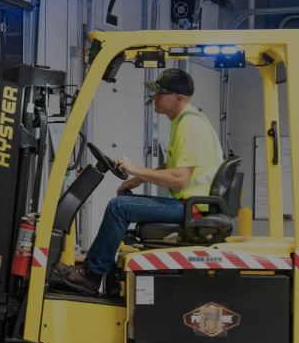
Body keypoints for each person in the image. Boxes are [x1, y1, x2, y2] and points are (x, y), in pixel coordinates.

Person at [54, 68, 223, 295]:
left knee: (119, 207)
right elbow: (175, 164)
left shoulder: (189, 125)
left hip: (193, 208)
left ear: (178, 98)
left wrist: (134, 168)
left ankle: (91, 276)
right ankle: (96, 269)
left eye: (160, 93)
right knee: (122, 203)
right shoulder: (185, 121)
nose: (153, 97)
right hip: (191, 204)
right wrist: (137, 179)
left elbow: (180, 178)